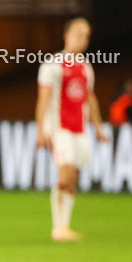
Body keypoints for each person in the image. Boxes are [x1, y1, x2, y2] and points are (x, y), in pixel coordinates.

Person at [35, 18, 109, 241]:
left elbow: (91, 97)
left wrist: (97, 126)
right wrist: (40, 129)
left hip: (80, 129)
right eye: (78, 34)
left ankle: (64, 226)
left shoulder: (86, 67)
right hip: (59, 128)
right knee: (65, 173)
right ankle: (57, 228)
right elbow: (44, 98)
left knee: (73, 176)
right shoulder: (52, 65)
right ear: (66, 36)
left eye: (86, 36)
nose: (82, 39)